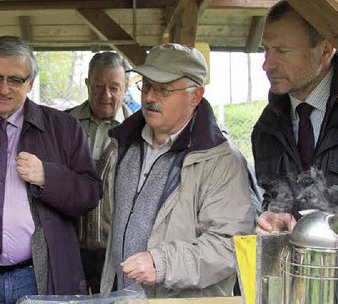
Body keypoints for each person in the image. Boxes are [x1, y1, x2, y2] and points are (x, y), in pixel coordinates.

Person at [100, 43, 255, 298]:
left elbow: (230, 245)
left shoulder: (221, 159)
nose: (150, 97)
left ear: (196, 95)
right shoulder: (124, 143)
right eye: (147, 86)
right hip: (124, 295)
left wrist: (162, 263)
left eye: (163, 89)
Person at [0, 35, 102, 303]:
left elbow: (90, 194)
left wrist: (48, 177)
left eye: (15, 79)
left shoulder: (64, 127)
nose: (4, 89)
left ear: (30, 84)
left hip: (38, 275)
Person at [252, 0, 338, 301]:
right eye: (266, 49)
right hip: (296, 291)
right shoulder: (265, 128)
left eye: (282, 51)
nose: (267, 64)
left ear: (325, 49)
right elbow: (274, 198)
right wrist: (272, 217)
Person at [66, 51, 132, 294]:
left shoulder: (137, 131)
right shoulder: (64, 124)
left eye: (115, 87)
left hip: (116, 251)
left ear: (125, 88)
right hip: (69, 247)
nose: (106, 94)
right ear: (87, 84)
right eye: (98, 86)